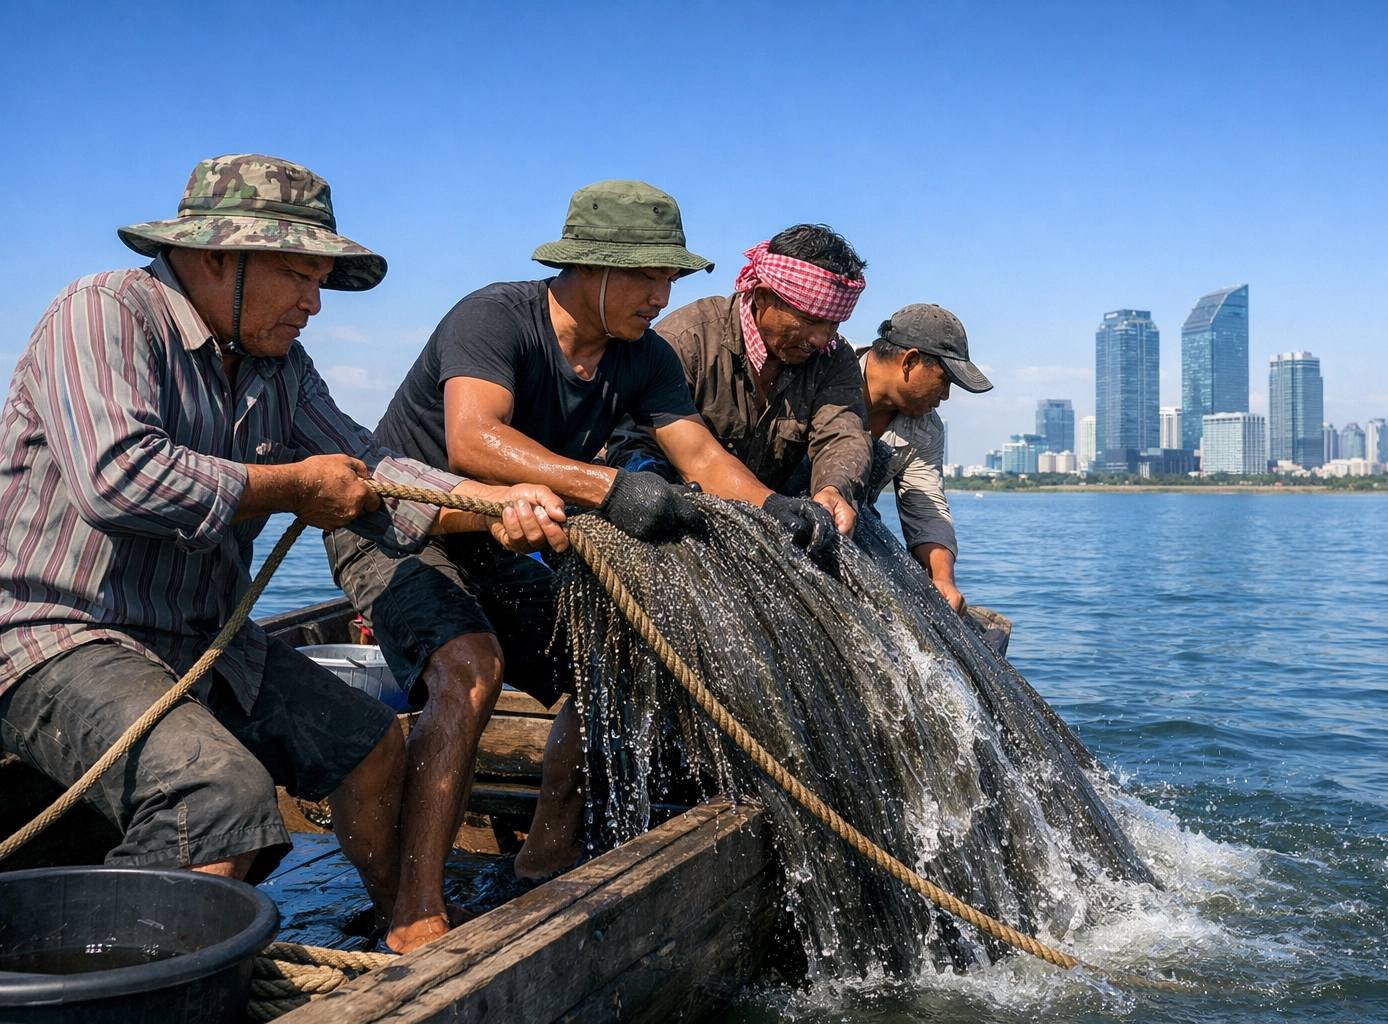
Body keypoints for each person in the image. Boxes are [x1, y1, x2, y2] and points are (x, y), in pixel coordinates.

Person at [0, 155, 566, 955]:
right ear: (212, 258)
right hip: (59, 634)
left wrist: (495, 506)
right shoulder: (102, 311)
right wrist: (292, 485)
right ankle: (137, 987)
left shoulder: (281, 368)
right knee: (215, 794)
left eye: (321, 281)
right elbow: (117, 479)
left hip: (201, 639)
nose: (314, 303)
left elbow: (372, 469)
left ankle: (405, 931)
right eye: (298, 276)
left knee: (370, 746)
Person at [326, 180, 837, 946]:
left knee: (610, 662)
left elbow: (696, 452)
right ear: (591, 268)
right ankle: (416, 914)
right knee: (469, 664)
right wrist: (606, 486)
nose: (662, 295)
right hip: (407, 525)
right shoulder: (495, 316)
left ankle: (544, 852)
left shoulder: (644, 357)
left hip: (510, 534)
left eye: (671, 279)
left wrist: (772, 508)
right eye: (647, 277)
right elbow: (473, 439)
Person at [605, 225, 873, 533]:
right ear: (762, 297)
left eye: (833, 323)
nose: (821, 338)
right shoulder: (685, 341)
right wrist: (661, 498)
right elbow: (634, 441)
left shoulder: (833, 358)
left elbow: (843, 434)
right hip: (686, 512)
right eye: (810, 320)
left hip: (779, 513)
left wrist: (833, 489)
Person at [859, 304, 992, 612]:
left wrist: (943, 578)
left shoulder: (927, 428)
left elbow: (927, 508)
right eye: (944, 381)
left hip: (855, 522)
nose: (944, 397)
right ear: (911, 361)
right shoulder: (825, 368)